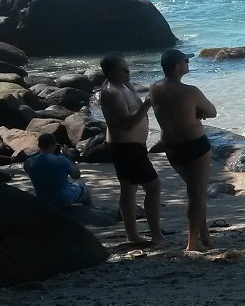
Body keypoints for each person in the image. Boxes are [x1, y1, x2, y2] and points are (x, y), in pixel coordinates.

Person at [149, 49, 218, 252]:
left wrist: (191, 110)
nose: (188, 63)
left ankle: (204, 234)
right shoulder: (191, 91)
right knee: (196, 193)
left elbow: (172, 108)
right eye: (186, 61)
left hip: (171, 146)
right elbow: (212, 112)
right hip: (195, 144)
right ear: (177, 67)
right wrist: (197, 111)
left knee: (195, 191)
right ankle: (192, 244)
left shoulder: (155, 88)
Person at [99, 54, 167, 248]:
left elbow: (136, 111)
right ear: (110, 72)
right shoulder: (111, 92)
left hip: (131, 147)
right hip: (126, 147)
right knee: (153, 187)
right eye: (123, 70)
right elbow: (127, 124)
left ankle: (133, 235)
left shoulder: (125, 86)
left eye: (128, 68)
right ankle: (156, 235)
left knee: (128, 189)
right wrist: (147, 104)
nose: (128, 72)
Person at [25, 133, 92, 206]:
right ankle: (91, 210)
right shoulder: (61, 160)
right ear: (54, 145)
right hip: (63, 199)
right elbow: (76, 175)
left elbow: (28, 169)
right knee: (82, 186)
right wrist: (68, 157)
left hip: (42, 199)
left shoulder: (29, 162)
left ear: (39, 146)